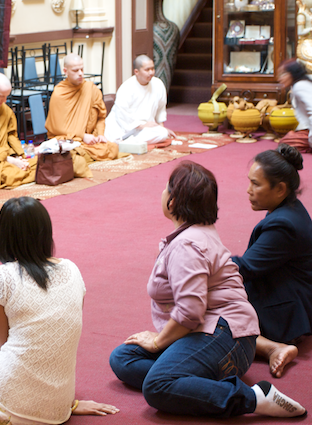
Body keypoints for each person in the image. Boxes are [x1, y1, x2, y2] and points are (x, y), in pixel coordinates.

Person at [109, 161, 306, 418]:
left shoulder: (187, 245)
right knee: (123, 358)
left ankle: (254, 397)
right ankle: (200, 381)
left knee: (157, 386)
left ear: (173, 201)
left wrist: (158, 341)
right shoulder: (195, 233)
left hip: (223, 336)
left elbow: (191, 312)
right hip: (214, 332)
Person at [0, 197, 119, 425]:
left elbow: (2, 343)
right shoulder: (72, 269)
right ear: (46, 233)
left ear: (4, 236)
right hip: (57, 410)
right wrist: (69, 402)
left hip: (9, 404)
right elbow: (63, 337)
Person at [232, 144, 312, 378]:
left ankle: (271, 347)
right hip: (291, 297)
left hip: (285, 313)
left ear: (280, 189)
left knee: (210, 313)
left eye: (256, 184)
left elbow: (245, 268)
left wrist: (200, 261)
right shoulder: (290, 210)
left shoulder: (283, 224)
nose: (249, 190)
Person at [45, 53, 122, 178]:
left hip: (89, 140)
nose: (80, 73)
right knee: (73, 155)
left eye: (82, 69)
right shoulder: (59, 93)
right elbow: (57, 128)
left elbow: (100, 117)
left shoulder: (90, 89)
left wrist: (101, 135)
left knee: (112, 148)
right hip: (67, 139)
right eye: (75, 70)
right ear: (66, 71)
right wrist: (82, 135)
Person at [104, 55, 176, 147]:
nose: (151, 72)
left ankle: (128, 143)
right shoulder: (126, 87)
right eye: (147, 70)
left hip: (142, 131)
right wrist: (142, 125)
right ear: (136, 72)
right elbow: (122, 115)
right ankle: (124, 142)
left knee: (163, 133)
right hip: (121, 129)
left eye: (152, 69)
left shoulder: (158, 84)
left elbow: (160, 110)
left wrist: (160, 128)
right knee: (113, 135)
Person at [275, 59, 312, 153]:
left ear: (292, 73)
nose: (279, 78)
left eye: (283, 74)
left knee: (285, 144)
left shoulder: (300, 86)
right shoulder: (301, 84)